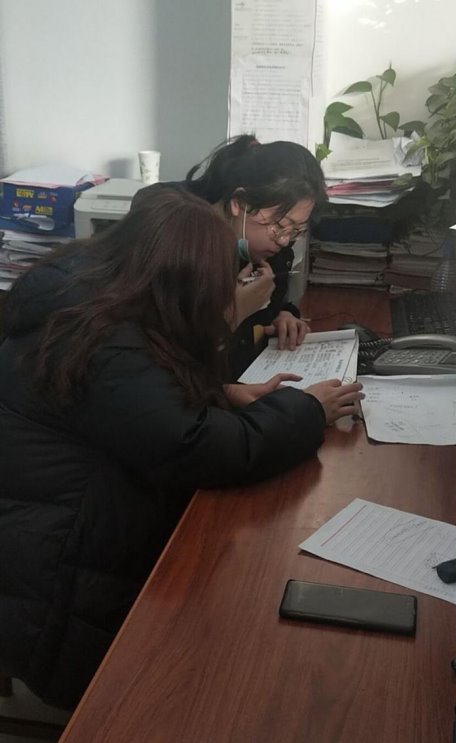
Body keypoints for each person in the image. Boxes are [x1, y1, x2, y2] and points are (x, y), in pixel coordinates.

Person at [0, 188, 363, 709]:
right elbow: (194, 449)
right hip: (56, 579)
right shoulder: (106, 340)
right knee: (219, 654)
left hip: (63, 526)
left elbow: (142, 404)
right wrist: (306, 411)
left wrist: (225, 394)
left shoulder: (93, 298)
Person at [132, 134, 328, 378]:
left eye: (297, 230)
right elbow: (164, 359)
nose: (284, 240)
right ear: (239, 203)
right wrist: (233, 313)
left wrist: (282, 314)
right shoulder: (178, 244)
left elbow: (272, 302)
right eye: (280, 226)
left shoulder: (266, 245)